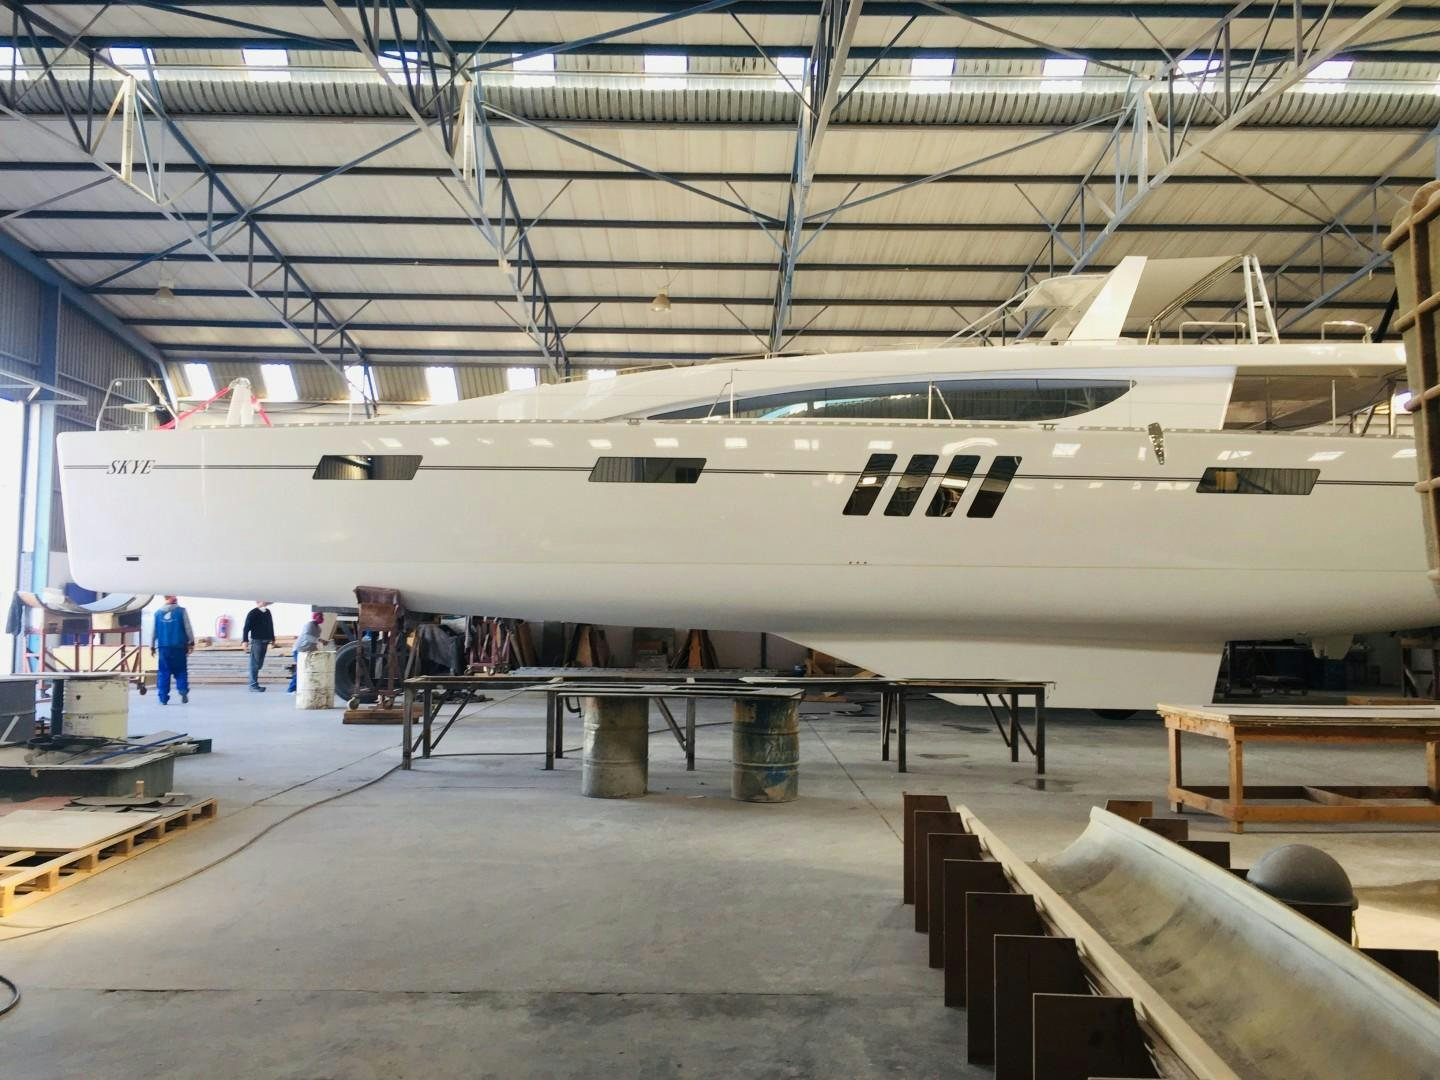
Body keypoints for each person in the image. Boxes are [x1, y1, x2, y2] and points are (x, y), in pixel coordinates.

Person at [151, 595, 195, 705]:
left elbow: (154, 631)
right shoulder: (181, 611)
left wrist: (151, 645)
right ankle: (183, 690)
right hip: (179, 647)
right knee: (181, 671)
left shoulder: (157, 613)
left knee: (163, 673)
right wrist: (191, 642)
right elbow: (187, 627)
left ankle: (163, 698)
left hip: (163, 648)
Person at [288, 612, 326, 693]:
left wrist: (317, 650)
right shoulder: (309, 625)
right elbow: (308, 637)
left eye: (322, 616)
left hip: (307, 650)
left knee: (308, 670)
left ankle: (303, 688)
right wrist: (320, 640)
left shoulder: (318, 628)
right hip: (299, 650)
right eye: (320, 616)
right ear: (315, 617)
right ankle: (291, 690)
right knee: (300, 670)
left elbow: (313, 642)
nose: (322, 618)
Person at [242, 601, 275, 693]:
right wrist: (245, 641)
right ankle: (253, 685)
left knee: (259, 664)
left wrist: (272, 639)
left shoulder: (267, 612)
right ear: (259, 601)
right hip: (257, 640)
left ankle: (254, 683)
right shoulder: (253, 613)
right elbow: (246, 628)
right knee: (255, 663)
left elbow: (270, 625)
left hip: (265, 640)